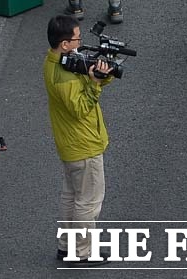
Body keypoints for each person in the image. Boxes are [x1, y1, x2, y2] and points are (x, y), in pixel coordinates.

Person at [44, 14, 114, 267]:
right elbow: (81, 108)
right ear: (64, 44)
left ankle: (66, 246)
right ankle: (82, 252)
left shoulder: (56, 63)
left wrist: (96, 78)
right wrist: (95, 84)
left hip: (70, 144)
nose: (80, 43)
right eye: (77, 39)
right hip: (84, 144)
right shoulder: (64, 76)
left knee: (71, 196)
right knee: (89, 201)